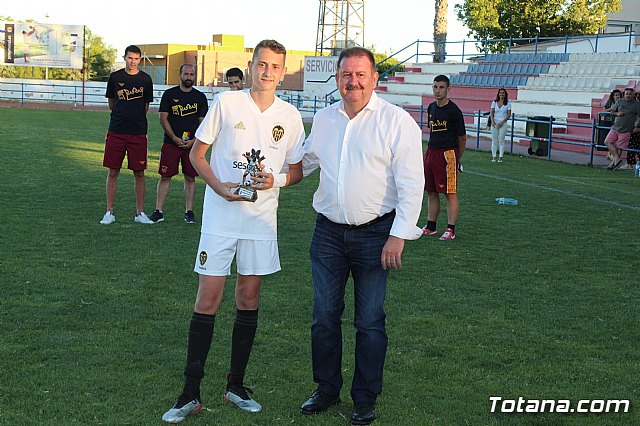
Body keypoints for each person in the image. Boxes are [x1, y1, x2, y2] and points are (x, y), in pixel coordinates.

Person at [162, 39, 305, 424]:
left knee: (249, 295)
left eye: (275, 66)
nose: (267, 72)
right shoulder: (227, 103)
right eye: (262, 64)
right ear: (251, 64)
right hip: (221, 217)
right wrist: (220, 187)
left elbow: (299, 170)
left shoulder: (290, 116)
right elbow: (196, 154)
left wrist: (275, 179)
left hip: (260, 220)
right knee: (208, 297)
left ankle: (235, 386)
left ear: (283, 70)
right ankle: (190, 392)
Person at [300, 47, 424, 426]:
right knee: (324, 316)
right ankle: (326, 389)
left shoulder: (396, 121)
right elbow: (306, 162)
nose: (352, 82)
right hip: (327, 235)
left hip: (376, 236)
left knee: (369, 321)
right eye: (345, 75)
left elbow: (411, 183)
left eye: (360, 75)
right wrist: (271, 176)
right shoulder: (324, 119)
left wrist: (398, 235)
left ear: (374, 78)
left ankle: (365, 397)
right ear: (337, 78)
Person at [99, 45, 154, 224]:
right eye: (130, 58)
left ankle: (140, 213)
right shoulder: (115, 77)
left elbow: (146, 106)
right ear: (125, 58)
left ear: (140, 59)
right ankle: (109, 212)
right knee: (113, 171)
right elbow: (111, 103)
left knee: (139, 173)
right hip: (116, 131)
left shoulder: (146, 79)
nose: (133, 62)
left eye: (136, 59)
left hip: (138, 132)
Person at [150, 64, 208, 224]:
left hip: (192, 145)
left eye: (191, 74)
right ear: (180, 75)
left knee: (190, 178)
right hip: (170, 143)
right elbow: (163, 118)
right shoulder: (169, 94)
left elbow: (203, 124)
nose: (188, 77)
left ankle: (189, 211)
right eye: (186, 74)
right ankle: (158, 211)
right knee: (165, 176)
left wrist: (193, 141)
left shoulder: (200, 98)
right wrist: (174, 138)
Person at [421, 75, 467, 241]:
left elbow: (462, 138)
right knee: (431, 191)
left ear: (448, 89)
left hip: (447, 154)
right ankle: (431, 226)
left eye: (441, 87)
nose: (437, 90)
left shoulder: (454, 111)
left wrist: (456, 158)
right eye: (435, 87)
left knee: (449, 192)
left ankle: (450, 229)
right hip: (431, 152)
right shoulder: (431, 108)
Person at [604, 87, 640, 170]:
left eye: (630, 94)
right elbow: (612, 112)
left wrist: (636, 126)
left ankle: (612, 165)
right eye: (627, 94)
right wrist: (618, 113)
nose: (628, 96)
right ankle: (617, 159)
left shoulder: (637, 104)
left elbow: (639, 116)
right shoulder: (619, 101)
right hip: (616, 127)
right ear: (624, 94)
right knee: (607, 141)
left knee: (619, 147)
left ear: (633, 95)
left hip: (626, 130)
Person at [489, 88, 511, 163]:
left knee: (501, 140)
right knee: (494, 140)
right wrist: (492, 120)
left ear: (505, 94)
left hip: (503, 123)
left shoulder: (508, 103)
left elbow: (508, 114)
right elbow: (491, 112)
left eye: (503, 93)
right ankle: (494, 156)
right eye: (500, 93)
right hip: (494, 122)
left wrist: (503, 121)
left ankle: (500, 156)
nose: (502, 94)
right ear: (498, 94)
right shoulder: (494, 102)